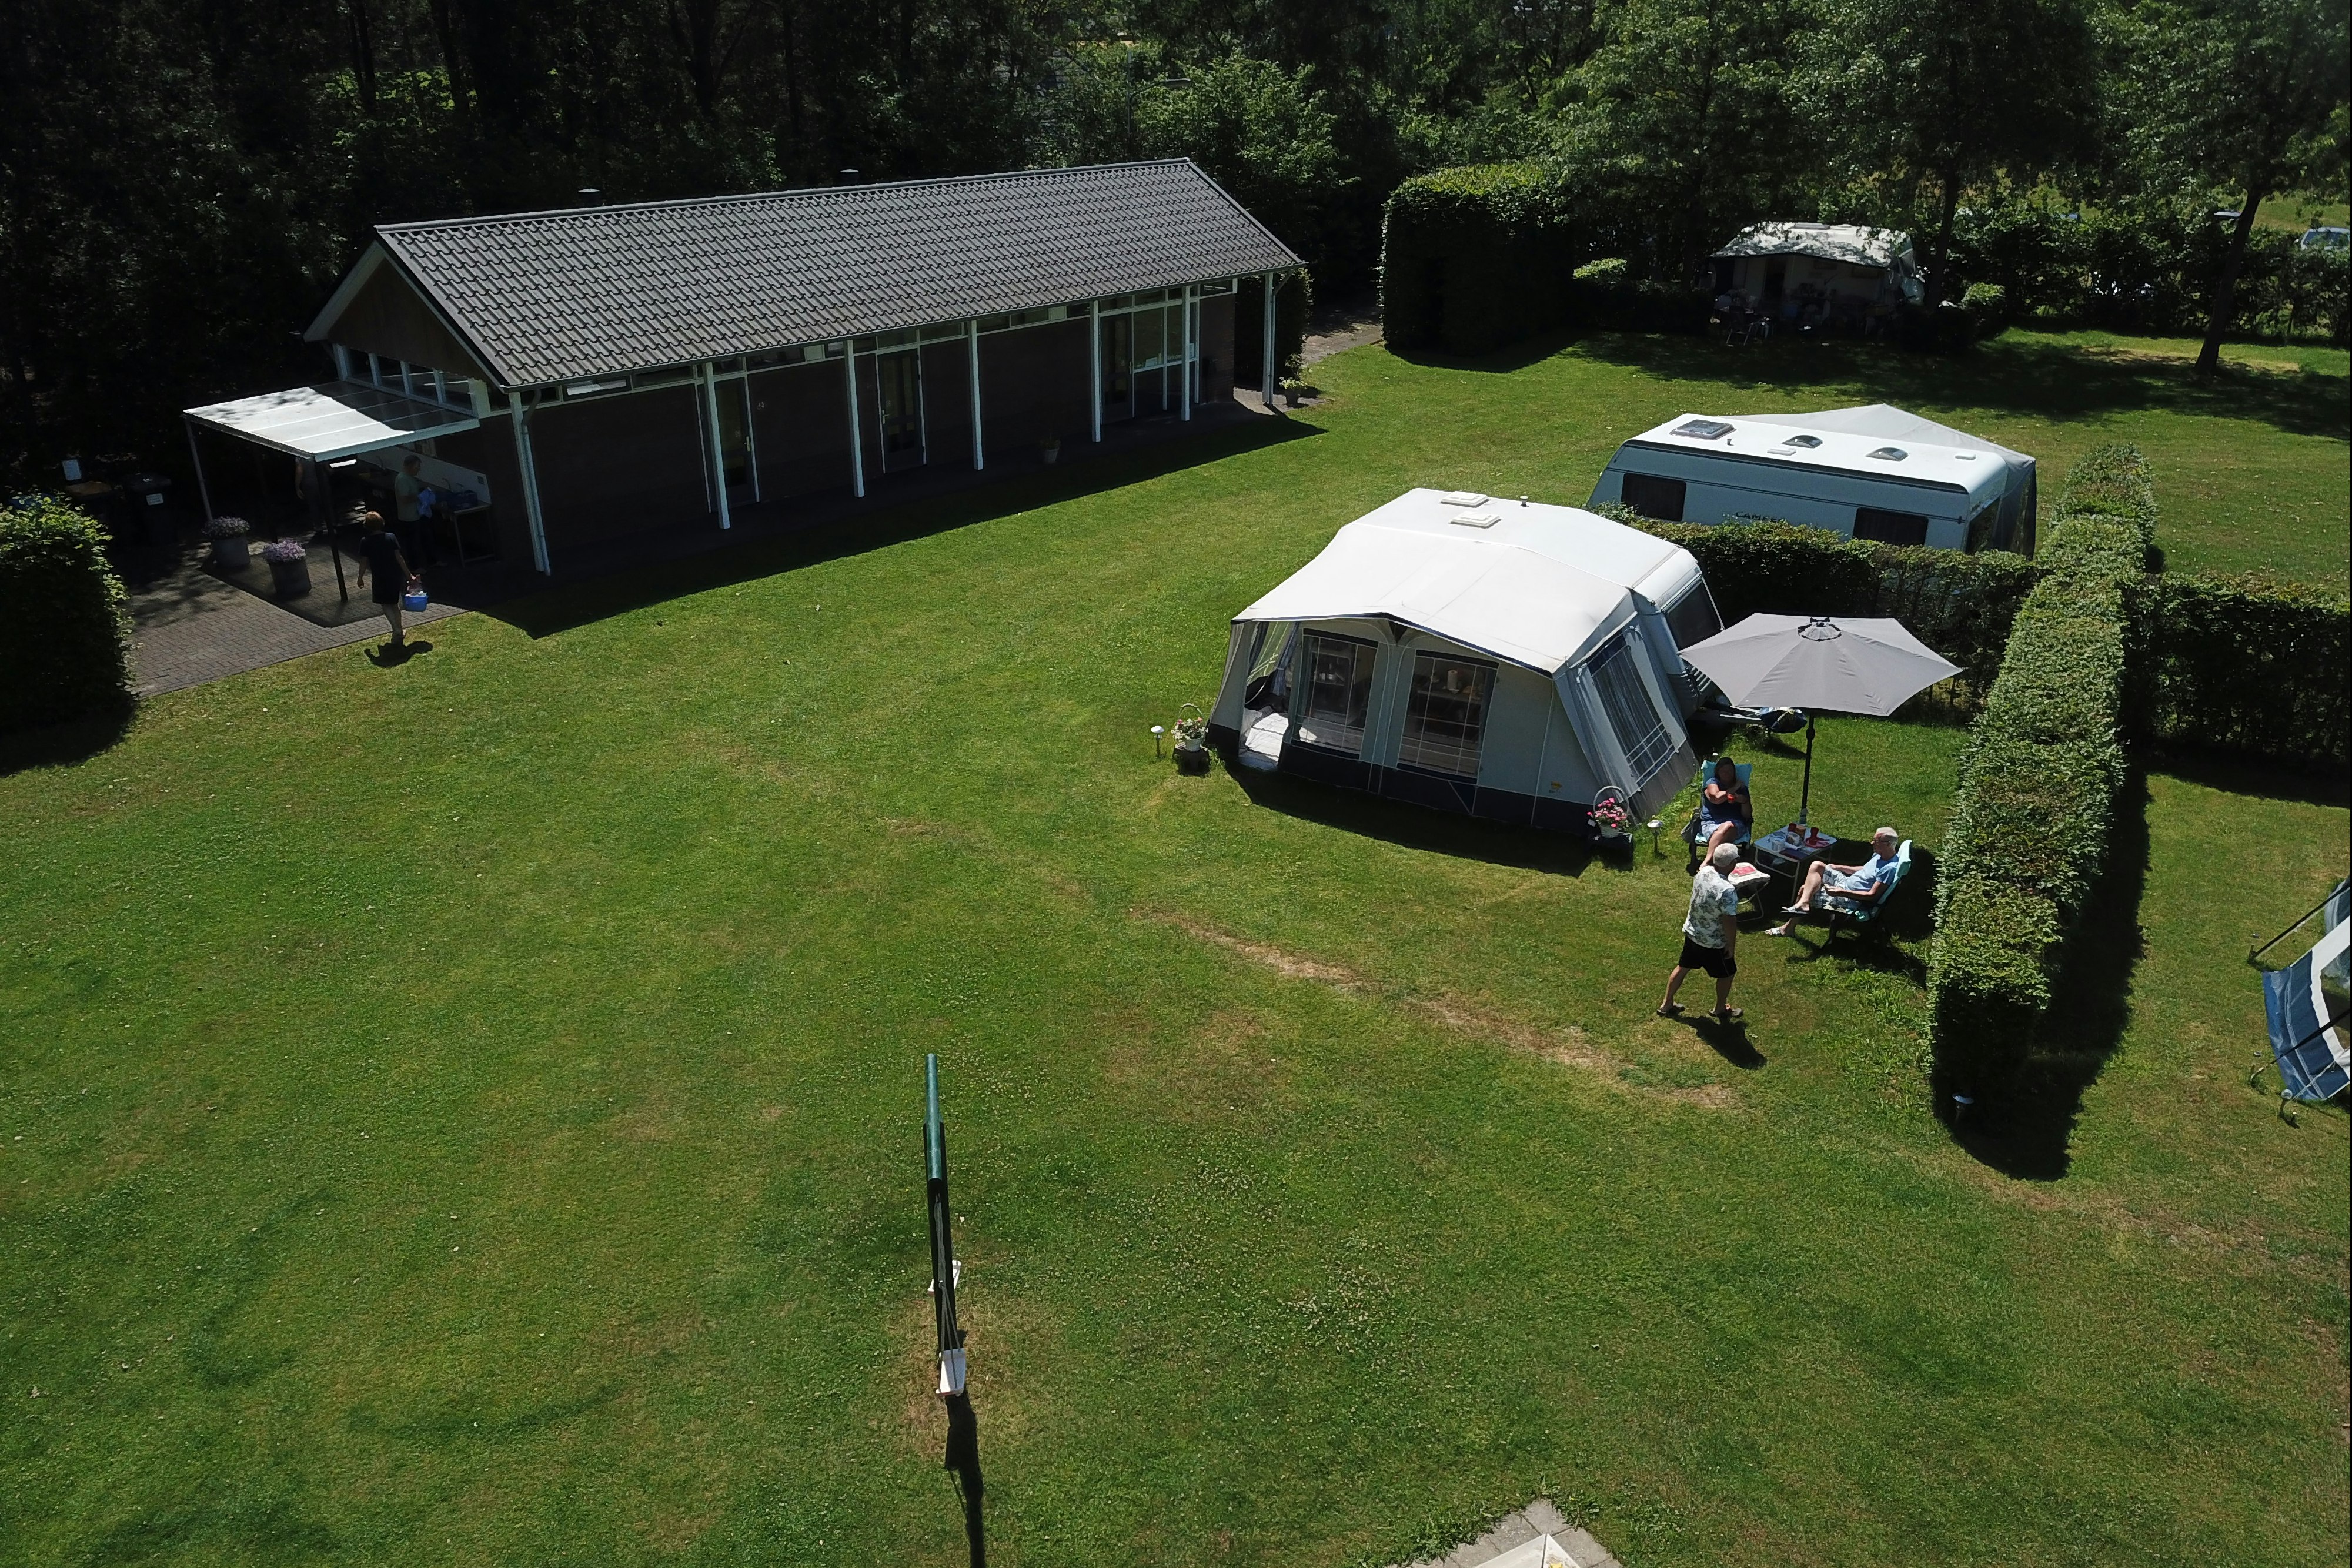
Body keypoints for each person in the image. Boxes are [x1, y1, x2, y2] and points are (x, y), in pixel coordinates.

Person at [1660, 841, 1742, 1023]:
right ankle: (1720, 1008)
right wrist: (1731, 945)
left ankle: (1666, 1005)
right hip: (1713, 943)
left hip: (1693, 933)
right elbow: (1729, 922)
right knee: (1727, 974)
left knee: (1683, 967)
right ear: (1732, 864)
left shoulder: (1704, 871)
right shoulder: (1727, 891)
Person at [1768, 827, 1902, 935]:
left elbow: (1873, 895)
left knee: (1805, 890)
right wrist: (1839, 867)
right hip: (1846, 882)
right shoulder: (1880, 855)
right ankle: (1803, 905)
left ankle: (1789, 927)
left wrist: (1841, 892)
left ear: (1888, 845)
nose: (1872, 843)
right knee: (1817, 865)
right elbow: (1865, 870)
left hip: (1851, 900)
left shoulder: (1889, 869)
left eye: (1876, 841)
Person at [355, 511, 415, 650]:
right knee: (394, 603)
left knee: (385, 604)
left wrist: (360, 577)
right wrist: (409, 575)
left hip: (379, 576)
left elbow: (363, 562)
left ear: (367, 526)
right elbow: (399, 558)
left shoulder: (365, 542)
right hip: (394, 575)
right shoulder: (391, 537)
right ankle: (399, 630)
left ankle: (396, 630)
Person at [1695, 757, 1752, 859]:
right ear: (1718, 772)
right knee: (1726, 828)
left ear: (1734, 772)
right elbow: (1717, 798)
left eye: (1730, 771)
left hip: (1735, 824)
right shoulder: (1713, 783)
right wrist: (1734, 788)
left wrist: (1743, 800)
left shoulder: (1742, 789)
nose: (1727, 774)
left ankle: (1708, 861)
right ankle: (1716, 861)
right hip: (1711, 822)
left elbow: (1747, 814)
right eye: (1724, 771)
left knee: (1729, 826)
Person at [392, 454, 438, 564]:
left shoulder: (410, 478)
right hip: (409, 518)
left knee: (426, 539)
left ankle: (432, 561)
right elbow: (404, 499)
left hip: (417, 515)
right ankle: (415, 566)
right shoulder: (403, 479)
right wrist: (420, 496)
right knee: (413, 543)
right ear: (409, 466)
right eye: (417, 466)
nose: (419, 469)